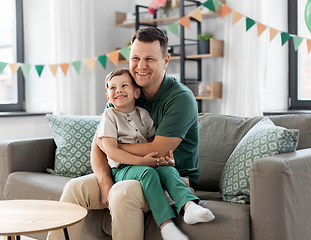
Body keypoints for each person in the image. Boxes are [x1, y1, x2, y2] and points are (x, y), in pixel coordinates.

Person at [47, 26, 213, 240]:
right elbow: (97, 145)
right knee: (74, 187)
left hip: (171, 175)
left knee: (122, 193)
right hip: (125, 171)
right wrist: (105, 181)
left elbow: (157, 150)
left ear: (165, 60)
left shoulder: (180, 97)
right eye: (135, 58)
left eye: (150, 59)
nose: (141, 66)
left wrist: (112, 147)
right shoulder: (124, 92)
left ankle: (181, 211)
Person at [98, 67, 214, 240]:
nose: (119, 90)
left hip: (144, 163)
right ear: (108, 96)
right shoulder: (109, 115)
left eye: (124, 86)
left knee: (167, 170)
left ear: (137, 93)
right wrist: (143, 162)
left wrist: (166, 161)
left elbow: (153, 145)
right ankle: (166, 226)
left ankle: (189, 206)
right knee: (148, 173)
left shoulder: (144, 115)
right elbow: (111, 152)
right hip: (122, 169)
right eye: (113, 88)